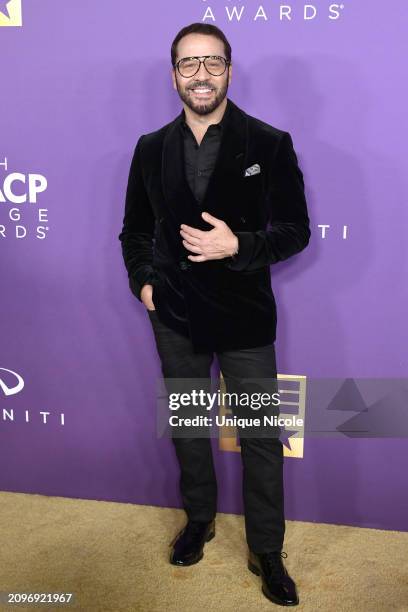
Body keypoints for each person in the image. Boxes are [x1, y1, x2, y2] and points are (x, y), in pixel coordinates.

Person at [118, 22, 310, 607]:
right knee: (188, 426)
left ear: (229, 68)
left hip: (245, 317)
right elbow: (134, 232)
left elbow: (295, 230)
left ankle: (267, 550)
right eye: (188, 64)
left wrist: (240, 247)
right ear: (173, 73)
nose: (200, 74)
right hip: (174, 317)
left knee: (258, 435)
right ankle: (199, 520)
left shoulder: (270, 142)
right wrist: (146, 286)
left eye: (212, 62)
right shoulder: (150, 147)